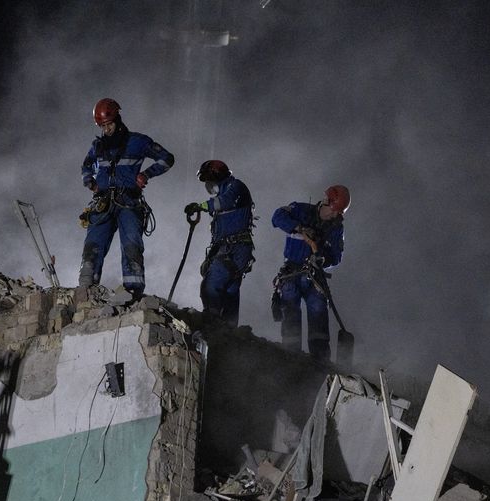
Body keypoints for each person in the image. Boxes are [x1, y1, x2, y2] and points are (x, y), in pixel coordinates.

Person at [79, 97, 174, 298]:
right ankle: (85, 291)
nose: (106, 129)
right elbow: (86, 166)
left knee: (132, 246)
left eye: (109, 124)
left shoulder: (138, 142)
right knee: (92, 245)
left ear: (117, 119)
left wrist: (147, 174)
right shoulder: (98, 146)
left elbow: (167, 158)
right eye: (102, 126)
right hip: (103, 204)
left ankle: (133, 295)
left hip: (128, 203)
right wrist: (89, 181)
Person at [271, 185, 350, 360]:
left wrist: (322, 260)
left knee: (318, 311)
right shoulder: (300, 210)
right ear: (325, 201)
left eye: (338, 212)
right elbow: (277, 217)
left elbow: (336, 256)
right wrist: (299, 228)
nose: (334, 215)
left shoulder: (336, 228)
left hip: (314, 276)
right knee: (290, 312)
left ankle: (320, 361)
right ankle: (290, 356)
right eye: (333, 210)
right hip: (291, 273)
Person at [183, 159, 254, 325]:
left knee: (211, 285)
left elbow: (226, 202)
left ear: (217, 175)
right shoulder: (222, 196)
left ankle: (212, 324)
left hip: (235, 248)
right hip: (230, 248)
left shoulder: (236, 187)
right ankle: (229, 330)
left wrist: (200, 206)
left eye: (209, 179)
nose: (208, 184)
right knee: (230, 290)